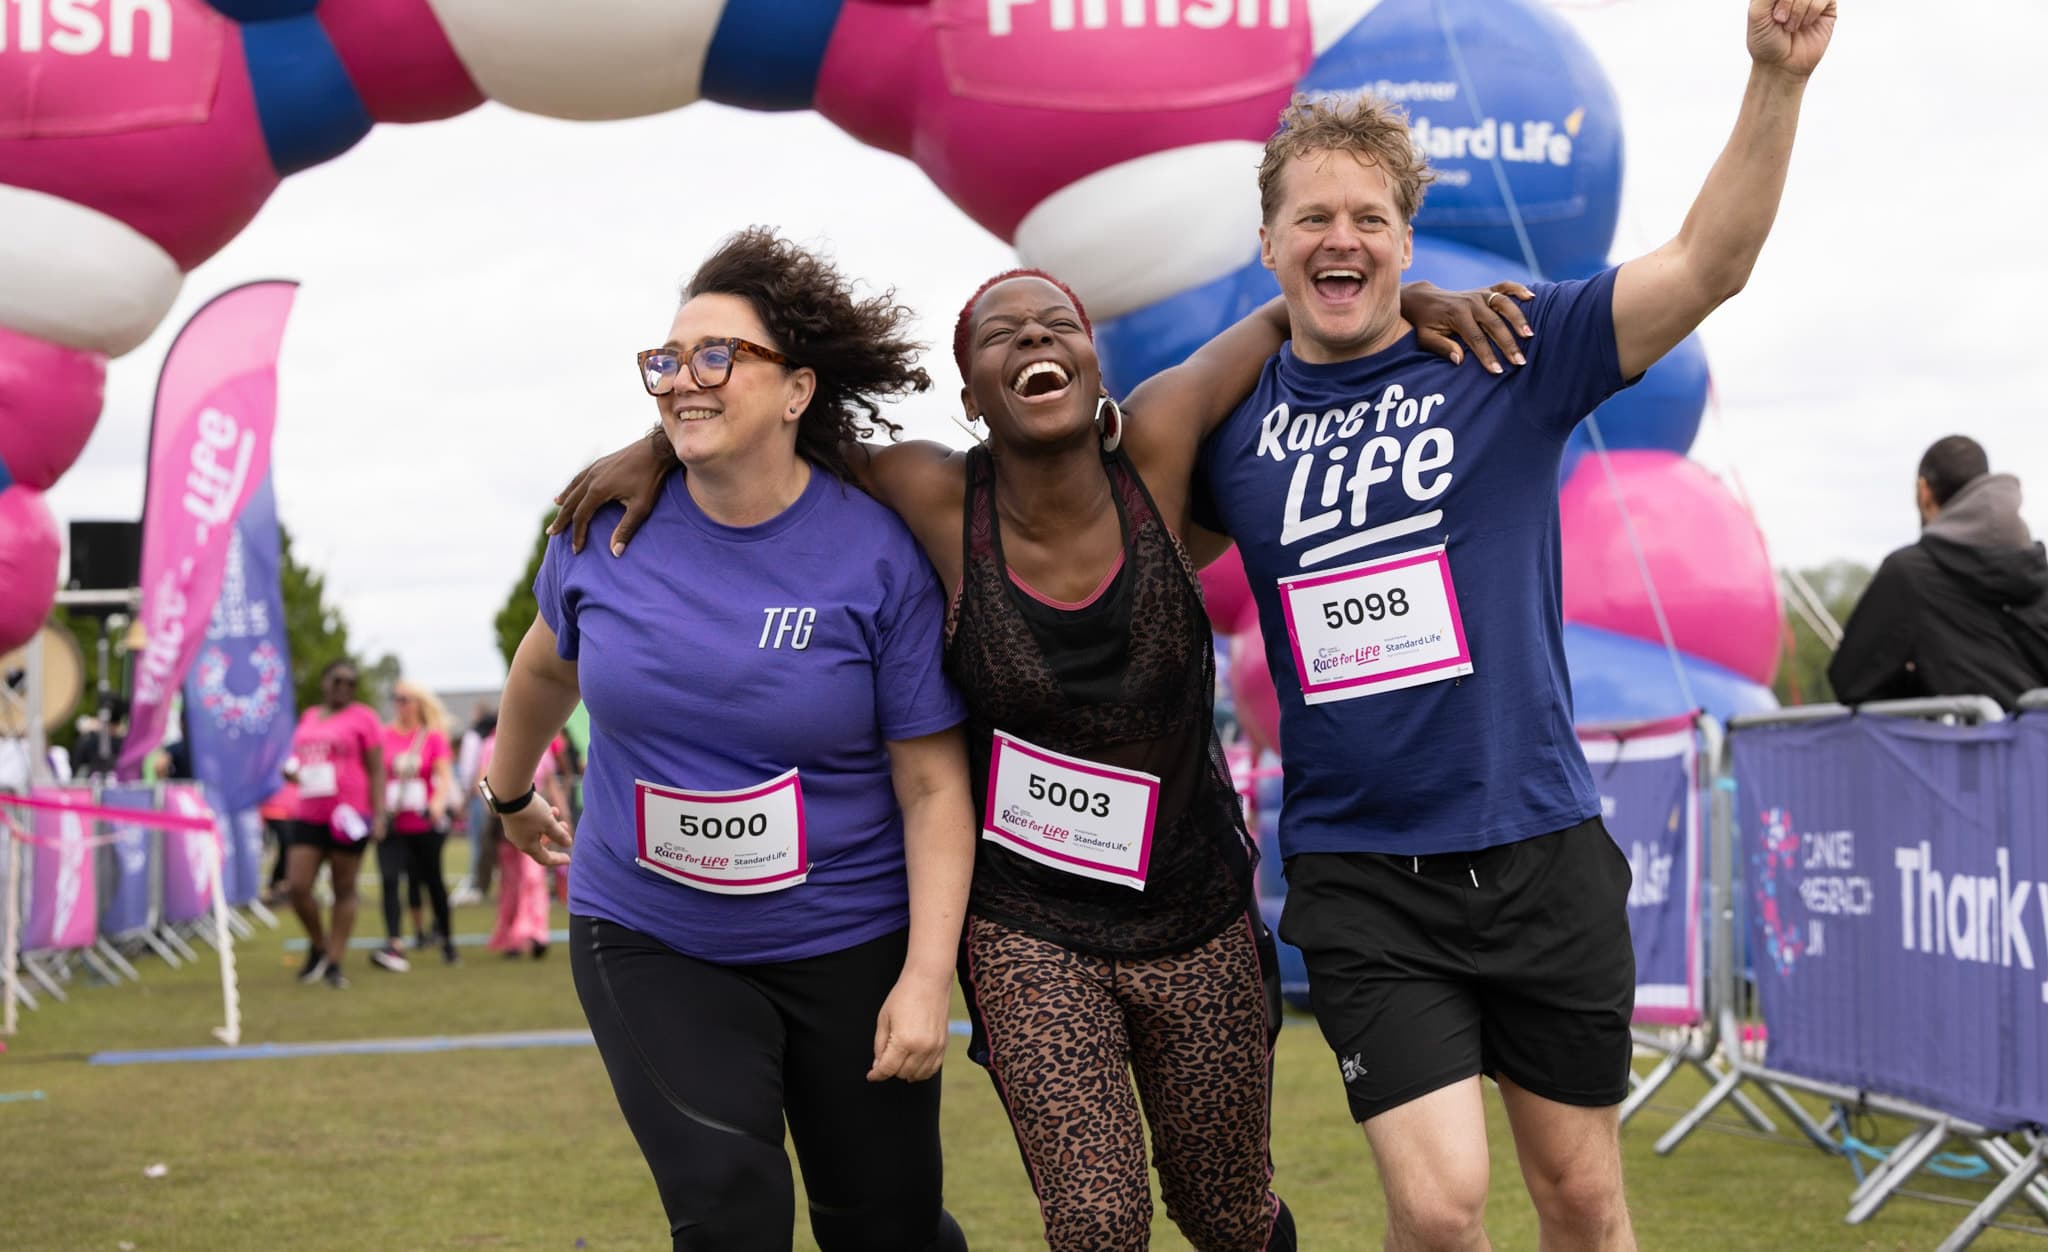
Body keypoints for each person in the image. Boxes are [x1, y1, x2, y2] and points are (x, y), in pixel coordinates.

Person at [554, 250, 1526, 1245]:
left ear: (1095, 370)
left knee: (1223, 1209)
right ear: (971, 397)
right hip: (1030, 928)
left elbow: (1292, 312)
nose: (1033, 338)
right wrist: (658, 448)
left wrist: (1410, 296)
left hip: (1193, 915)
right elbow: (751, 429)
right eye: (1001, 334)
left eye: (1057, 325)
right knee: (1095, 1222)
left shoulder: (1158, 444)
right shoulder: (931, 495)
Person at [1184, 6, 1834, 1248]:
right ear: (1267, 241)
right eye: (1312, 217)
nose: (1340, 238)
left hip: (1536, 847)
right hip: (1363, 875)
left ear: (1401, 240)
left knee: (1581, 1202)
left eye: (1368, 219)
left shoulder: (1501, 353)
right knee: (1436, 1213)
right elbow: (1104, 525)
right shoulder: (1230, 432)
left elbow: (1707, 262)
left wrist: (1772, 80)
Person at [488, 228, 977, 1251]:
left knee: (882, 1228)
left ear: (795, 390)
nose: (681, 381)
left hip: (850, 940)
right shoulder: (601, 531)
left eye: (716, 356)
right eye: (664, 360)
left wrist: (926, 978)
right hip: (653, 935)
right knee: (727, 1205)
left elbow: (932, 788)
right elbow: (542, 666)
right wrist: (507, 790)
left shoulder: (874, 553)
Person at [1828, 436, 2048, 710]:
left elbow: (1850, 681)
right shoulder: (2038, 568)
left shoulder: (1909, 574)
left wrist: (1925, 686)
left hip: (1975, 749)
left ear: (1924, 491)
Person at [282, 659, 386, 989]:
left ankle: (335, 962)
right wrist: (292, 772)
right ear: (325, 681)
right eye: (338, 680)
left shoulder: (364, 718)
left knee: (344, 887)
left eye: (350, 683)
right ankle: (319, 944)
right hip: (310, 811)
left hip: (349, 815)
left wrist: (380, 815)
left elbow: (377, 769)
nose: (344, 687)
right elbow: (302, 760)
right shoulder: (309, 716)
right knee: (297, 886)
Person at [371, 681, 459, 971]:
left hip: (422, 824)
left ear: (418, 704)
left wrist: (436, 803)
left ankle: (446, 940)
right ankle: (395, 943)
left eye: (405, 699)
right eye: (395, 699)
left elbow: (444, 775)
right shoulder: (383, 736)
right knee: (389, 880)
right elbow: (375, 775)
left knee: (432, 882)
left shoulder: (432, 738)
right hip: (392, 823)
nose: (399, 704)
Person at [450, 701, 496, 906]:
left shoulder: (478, 740)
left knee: (480, 843)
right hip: (494, 799)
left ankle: (477, 884)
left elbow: (474, 775)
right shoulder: (494, 741)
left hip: (484, 799)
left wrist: (469, 799)